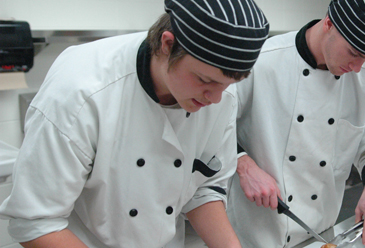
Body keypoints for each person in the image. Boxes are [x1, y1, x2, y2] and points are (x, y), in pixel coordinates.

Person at [0, 0, 269, 247]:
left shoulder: (220, 94)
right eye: (204, 80)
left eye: (228, 85)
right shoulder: (81, 91)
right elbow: (35, 222)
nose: (215, 98)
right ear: (167, 44)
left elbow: (204, 190)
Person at [227, 0, 365, 247]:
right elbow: (211, 128)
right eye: (353, 53)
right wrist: (243, 164)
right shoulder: (261, 62)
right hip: (250, 235)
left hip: (321, 234)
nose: (356, 68)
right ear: (329, 23)